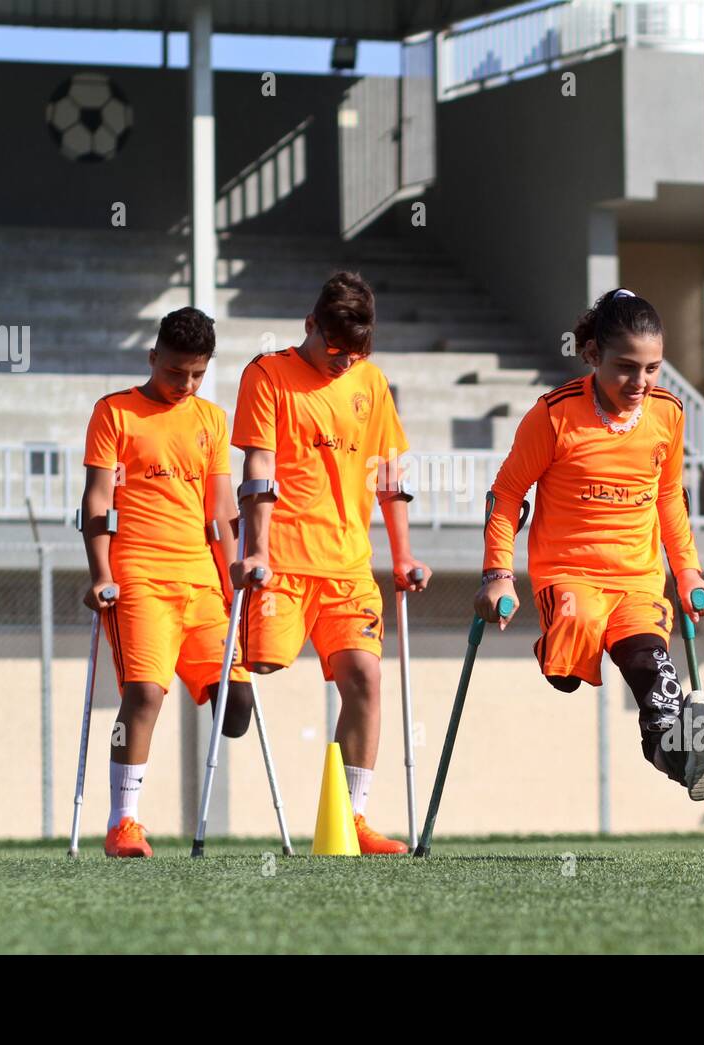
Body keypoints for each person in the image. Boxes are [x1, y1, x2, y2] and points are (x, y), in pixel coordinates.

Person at [473, 289, 704, 800]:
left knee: (654, 674)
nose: (640, 383)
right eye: (626, 368)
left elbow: (669, 499)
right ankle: (564, 658)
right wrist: (498, 575)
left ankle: (673, 752)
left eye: (653, 369)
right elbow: (506, 496)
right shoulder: (553, 417)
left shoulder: (669, 414)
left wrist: (689, 571)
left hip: (637, 579)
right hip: (569, 575)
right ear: (592, 355)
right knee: (575, 640)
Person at [230, 272, 429, 854]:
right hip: (283, 561)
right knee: (263, 666)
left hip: (348, 567)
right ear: (310, 326)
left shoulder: (371, 381)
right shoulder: (266, 374)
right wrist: (257, 549)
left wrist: (404, 556)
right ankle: (225, 658)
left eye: (357, 354)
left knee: (365, 678)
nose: (345, 364)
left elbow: (389, 477)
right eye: (335, 352)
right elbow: (259, 469)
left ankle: (354, 818)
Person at [81, 307, 253, 858]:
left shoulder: (211, 418)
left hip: (200, 581)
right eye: (176, 371)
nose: (186, 384)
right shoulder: (115, 412)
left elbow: (222, 507)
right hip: (138, 576)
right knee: (144, 695)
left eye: (197, 374)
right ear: (153, 357)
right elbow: (97, 499)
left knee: (237, 709)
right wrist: (101, 573)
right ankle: (123, 823)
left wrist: (234, 579)